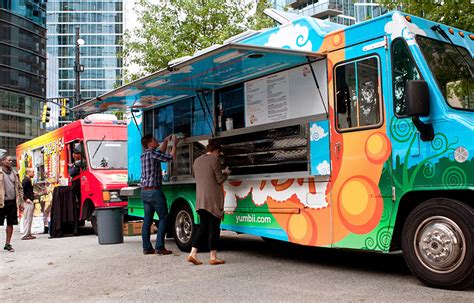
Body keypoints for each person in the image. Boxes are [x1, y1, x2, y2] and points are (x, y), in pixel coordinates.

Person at [187, 141, 231, 265]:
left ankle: (193, 253)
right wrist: (226, 173)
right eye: (219, 153)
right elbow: (219, 179)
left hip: (201, 200)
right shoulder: (214, 160)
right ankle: (213, 257)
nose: (219, 156)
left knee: (202, 228)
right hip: (212, 201)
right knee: (214, 229)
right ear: (216, 151)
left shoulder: (197, 161)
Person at [140, 134, 177, 255]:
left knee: (147, 220)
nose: (157, 141)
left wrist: (166, 141)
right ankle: (160, 247)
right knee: (164, 217)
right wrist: (174, 144)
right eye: (155, 140)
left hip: (144, 191)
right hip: (154, 191)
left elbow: (160, 152)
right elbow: (171, 158)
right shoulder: (153, 154)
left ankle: (147, 248)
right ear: (150, 143)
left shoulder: (144, 155)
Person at [0, 154, 24, 252]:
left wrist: (21, 202)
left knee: (11, 223)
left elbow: (19, 188)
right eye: (8, 160)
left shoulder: (15, 173)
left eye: (11, 161)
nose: (10, 162)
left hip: (12, 202)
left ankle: (7, 244)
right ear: (2, 161)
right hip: (1, 203)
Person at [20, 168, 36, 240]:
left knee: (29, 218)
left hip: (29, 200)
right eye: (32, 172)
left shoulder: (28, 180)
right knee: (27, 218)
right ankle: (25, 234)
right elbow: (20, 190)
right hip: (28, 201)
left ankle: (28, 233)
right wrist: (26, 198)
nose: (34, 174)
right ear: (28, 172)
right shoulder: (26, 180)